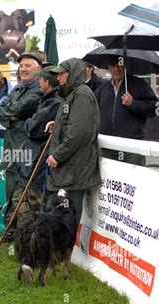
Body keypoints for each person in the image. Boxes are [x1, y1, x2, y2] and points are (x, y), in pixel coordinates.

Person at [0, 52, 43, 243]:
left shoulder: (39, 89)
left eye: (28, 65)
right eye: (21, 66)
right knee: (10, 189)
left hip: (27, 146)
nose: (23, 69)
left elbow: (18, 108)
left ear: (39, 69)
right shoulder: (17, 88)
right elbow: (0, 111)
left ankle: (22, 233)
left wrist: (12, 115)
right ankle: (9, 231)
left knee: (23, 192)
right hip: (10, 144)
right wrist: (12, 117)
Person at [46, 58, 101, 228]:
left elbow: (79, 132)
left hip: (75, 168)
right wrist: (59, 126)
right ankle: (60, 251)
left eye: (61, 74)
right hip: (70, 168)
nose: (59, 78)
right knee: (61, 213)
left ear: (72, 74)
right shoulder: (74, 94)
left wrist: (57, 154)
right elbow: (75, 125)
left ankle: (63, 252)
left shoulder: (81, 94)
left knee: (67, 216)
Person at [11, 66, 62, 228]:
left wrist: (29, 120)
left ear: (46, 82)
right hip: (31, 159)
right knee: (19, 199)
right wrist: (32, 119)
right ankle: (26, 237)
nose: (38, 82)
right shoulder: (46, 99)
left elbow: (33, 128)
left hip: (39, 161)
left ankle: (32, 237)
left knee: (33, 204)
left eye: (40, 79)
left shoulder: (54, 103)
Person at [95, 56, 158, 166]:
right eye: (113, 65)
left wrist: (133, 104)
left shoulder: (139, 85)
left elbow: (154, 108)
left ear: (125, 65)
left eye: (120, 65)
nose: (116, 69)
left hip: (132, 146)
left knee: (133, 181)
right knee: (111, 180)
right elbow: (92, 111)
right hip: (108, 146)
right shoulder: (103, 88)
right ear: (108, 66)